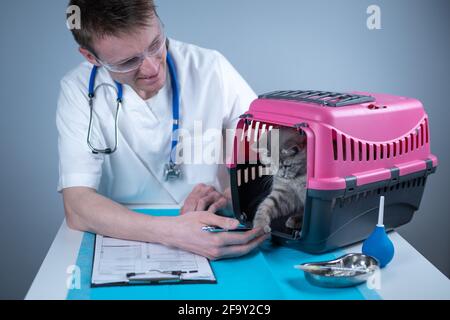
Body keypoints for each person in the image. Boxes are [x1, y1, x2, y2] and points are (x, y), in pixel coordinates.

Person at [57, 0, 269, 260]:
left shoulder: (210, 67)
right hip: (122, 234)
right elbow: (77, 206)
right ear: (91, 57)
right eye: (128, 62)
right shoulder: (77, 89)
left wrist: (232, 195)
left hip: (212, 231)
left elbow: (268, 152)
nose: (152, 68)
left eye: (156, 44)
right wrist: (172, 232)